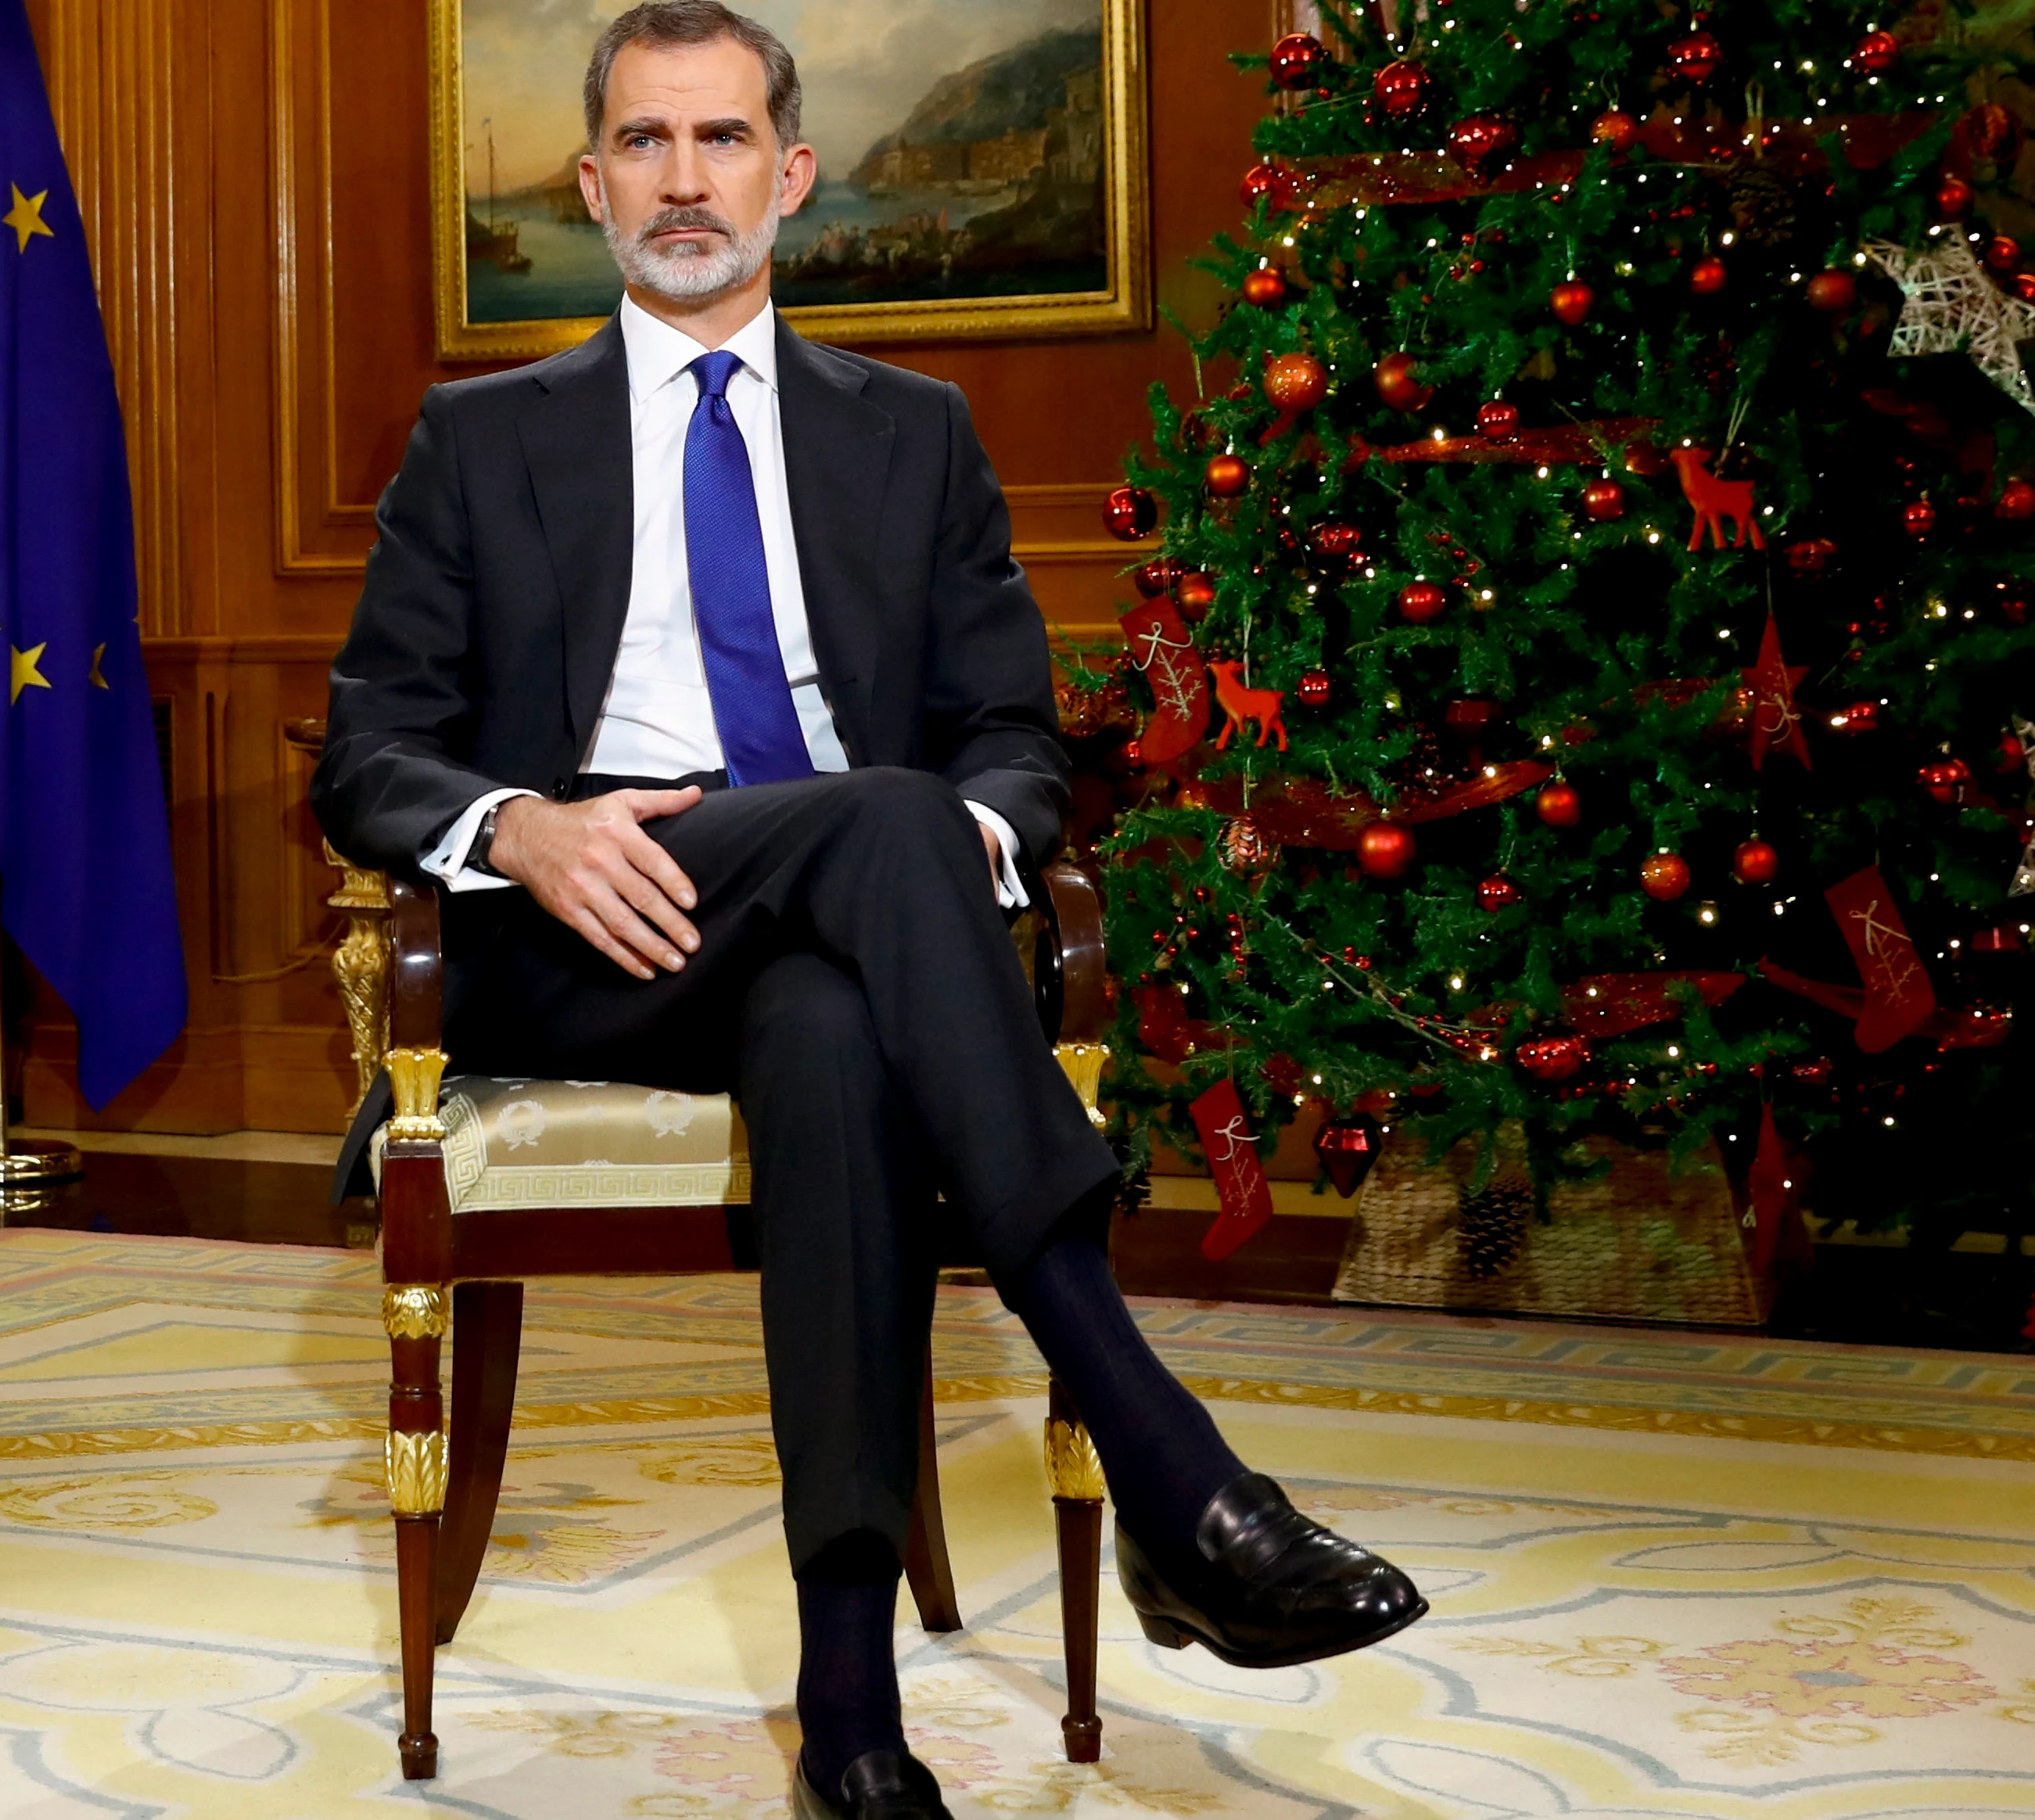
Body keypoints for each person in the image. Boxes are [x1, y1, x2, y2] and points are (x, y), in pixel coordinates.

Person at [308, 8, 1425, 1818]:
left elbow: (1011, 741)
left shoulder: (911, 435)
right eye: (646, 143)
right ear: (591, 184)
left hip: (836, 937)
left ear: (791, 176)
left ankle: (848, 1718)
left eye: (724, 139)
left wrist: (936, 855)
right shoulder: (476, 437)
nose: (687, 180)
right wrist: (519, 829)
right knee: (879, 843)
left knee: (839, 1006)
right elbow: (368, 751)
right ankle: (1173, 1468)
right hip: (580, 951)